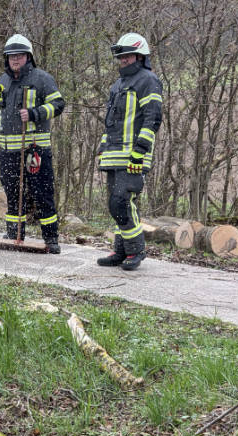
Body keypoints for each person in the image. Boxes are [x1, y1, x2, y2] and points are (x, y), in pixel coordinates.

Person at [0, 34, 65, 253]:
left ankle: (51, 238)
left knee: (42, 191)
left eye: (20, 56)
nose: (15, 60)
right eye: (12, 56)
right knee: (12, 191)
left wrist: (34, 113)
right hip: (8, 149)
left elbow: (58, 104)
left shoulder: (42, 79)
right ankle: (14, 232)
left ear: (28, 57)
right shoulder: (2, 81)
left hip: (34, 148)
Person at [95, 33, 163, 271]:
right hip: (113, 154)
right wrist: (103, 147)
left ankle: (136, 250)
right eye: (121, 57)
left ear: (140, 56)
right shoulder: (117, 85)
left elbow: (152, 118)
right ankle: (120, 250)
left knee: (122, 202)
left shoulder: (148, 80)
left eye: (128, 56)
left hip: (134, 154)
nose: (123, 60)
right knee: (114, 204)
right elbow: (110, 122)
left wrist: (140, 150)